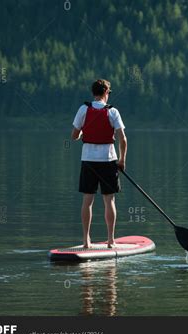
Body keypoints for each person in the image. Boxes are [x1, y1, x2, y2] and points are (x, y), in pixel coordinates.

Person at [71, 79, 127, 248]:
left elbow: (74, 136)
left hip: (88, 160)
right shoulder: (113, 112)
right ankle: (110, 240)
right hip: (108, 160)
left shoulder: (83, 109)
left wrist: (82, 134)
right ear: (106, 93)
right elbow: (123, 139)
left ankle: (86, 241)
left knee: (87, 200)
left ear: (94, 93)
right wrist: (122, 160)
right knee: (109, 201)